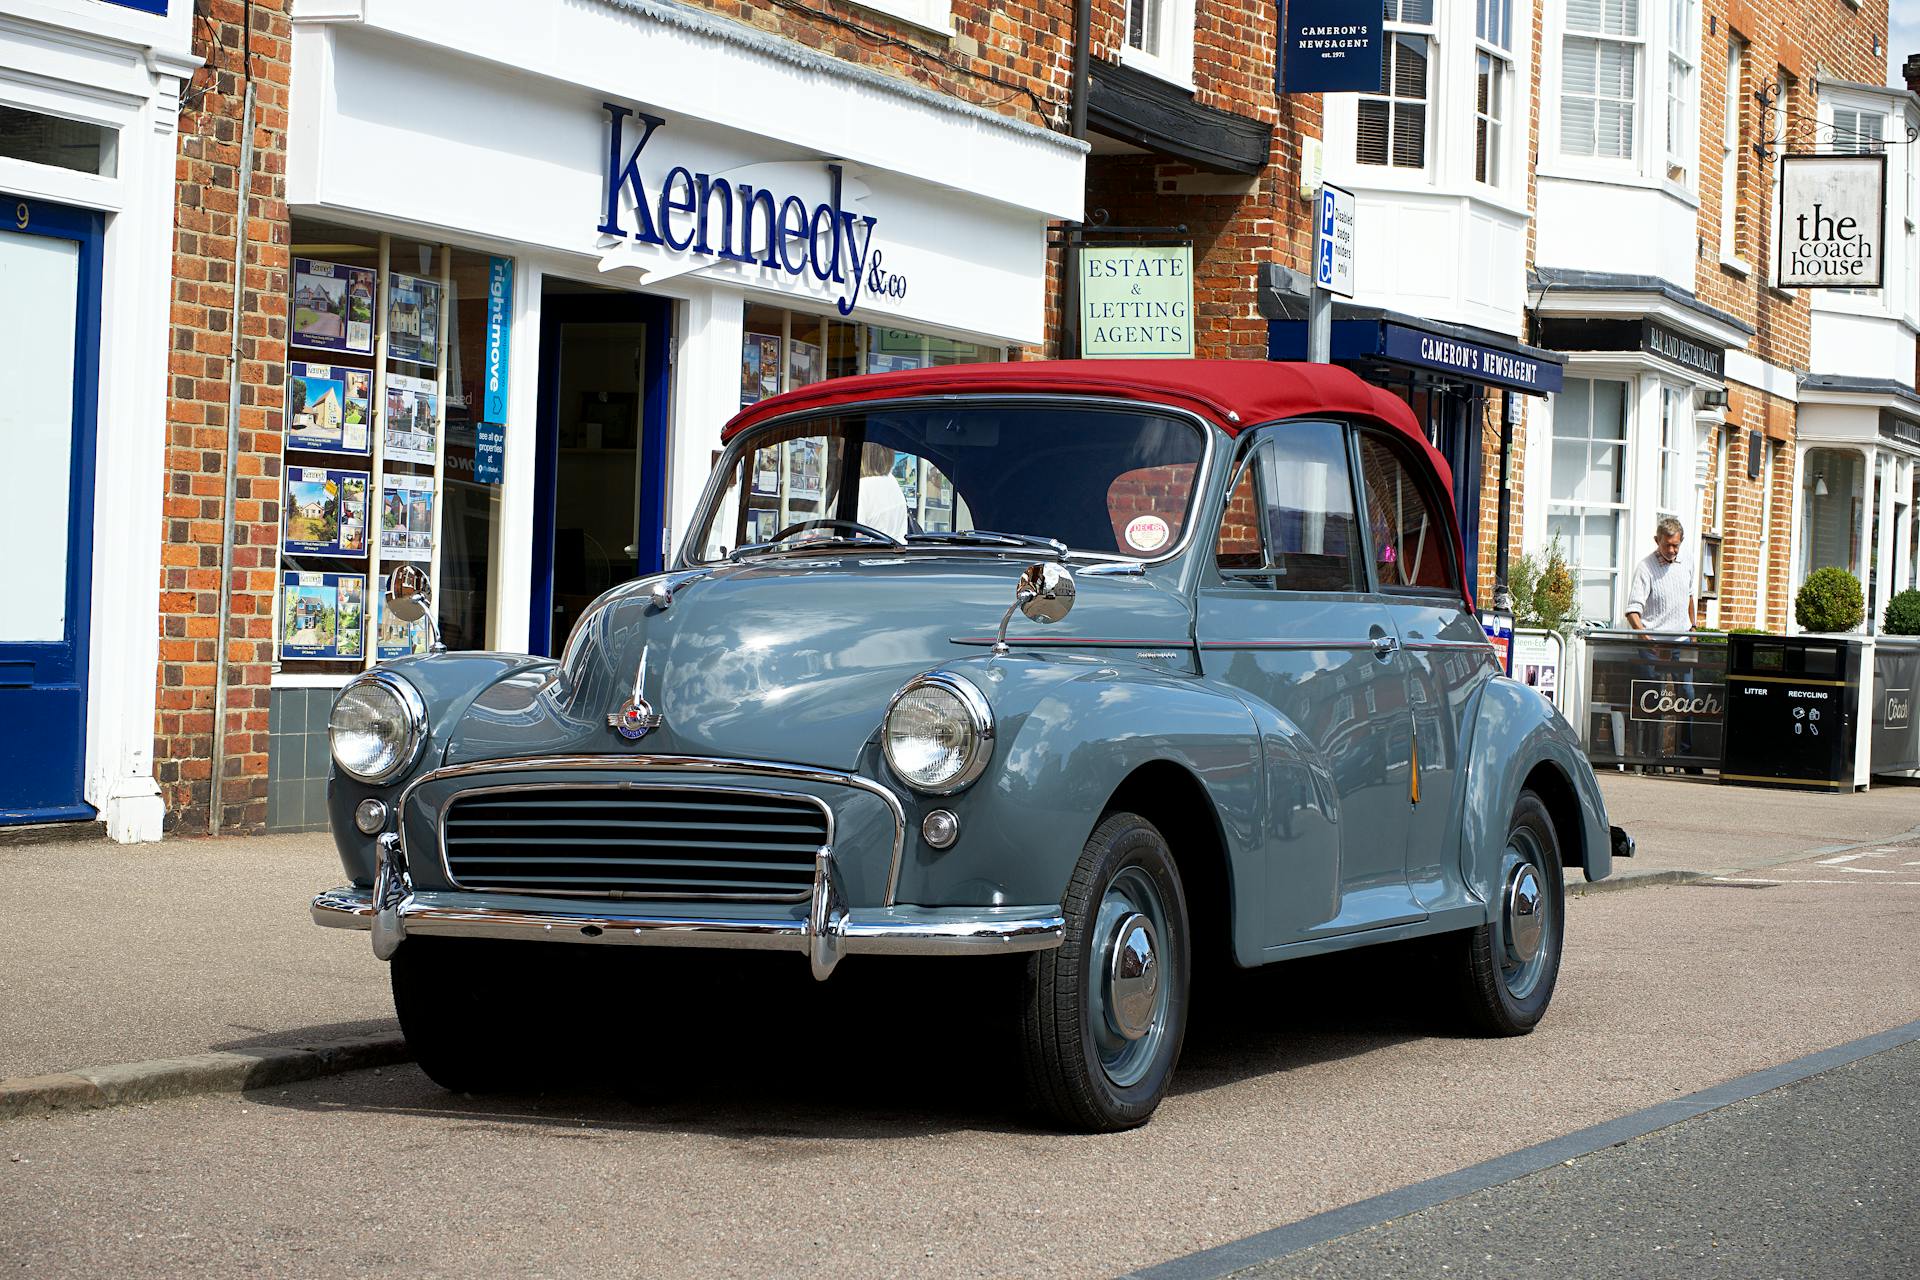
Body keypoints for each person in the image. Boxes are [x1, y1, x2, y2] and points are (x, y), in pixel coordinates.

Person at [1624, 517, 1698, 770]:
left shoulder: (1686, 564)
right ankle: (1651, 758)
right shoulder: (1645, 568)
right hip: (1653, 644)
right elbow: (1633, 610)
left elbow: (1689, 596)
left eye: (1676, 545)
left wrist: (1693, 627)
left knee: (1687, 698)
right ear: (1658, 541)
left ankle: (1686, 758)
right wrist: (1646, 637)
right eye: (1668, 545)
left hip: (1681, 642)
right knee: (1652, 699)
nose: (1672, 550)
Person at [857, 443, 910, 540]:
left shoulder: (860, 487)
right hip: (892, 552)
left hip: (868, 553)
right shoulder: (891, 481)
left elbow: (853, 536)